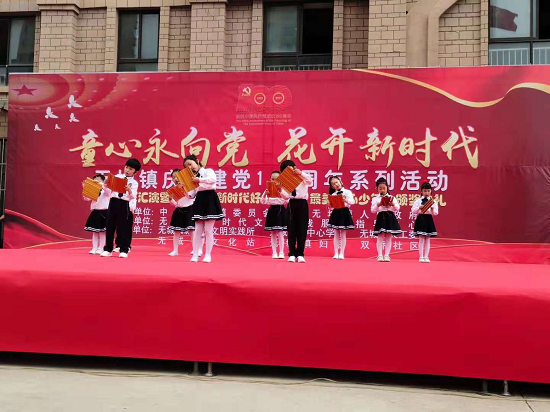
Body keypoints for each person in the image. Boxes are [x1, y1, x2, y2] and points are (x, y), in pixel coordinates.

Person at [184, 155, 224, 263]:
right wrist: (184, 189)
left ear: (197, 161)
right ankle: (195, 254)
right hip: (199, 200)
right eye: (186, 166)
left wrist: (199, 180)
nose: (189, 167)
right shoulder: (192, 178)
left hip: (210, 198)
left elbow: (213, 180)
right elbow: (192, 194)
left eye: (190, 164)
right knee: (198, 230)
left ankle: (208, 255)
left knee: (208, 230)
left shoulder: (207, 171)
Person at [100, 158, 141, 258]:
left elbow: (133, 197)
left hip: (124, 204)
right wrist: (105, 185)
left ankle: (124, 249)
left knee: (123, 227)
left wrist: (129, 190)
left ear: (135, 172)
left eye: (130, 169)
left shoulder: (134, 183)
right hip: (113, 202)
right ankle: (108, 249)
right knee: (110, 226)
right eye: (126, 167)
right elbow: (108, 192)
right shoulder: (117, 177)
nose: (127, 170)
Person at [279, 160, 313, 263]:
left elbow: (310, 181)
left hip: (302, 203)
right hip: (291, 203)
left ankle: (300, 254)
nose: (289, 171)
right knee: (291, 229)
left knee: (302, 229)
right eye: (285, 171)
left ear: (294, 167)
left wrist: (301, 173)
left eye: (291, 168)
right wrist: (280, 190)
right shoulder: (285, 180)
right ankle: (292, 254)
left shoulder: (302, 176)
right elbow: (285, 196)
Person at [167, 168, 204, 257]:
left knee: (192, 231)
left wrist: (184, 191)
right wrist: (170, 199)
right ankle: (175, 251)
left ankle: (196, 250)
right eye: (173, 177)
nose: (175, 179)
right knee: (176, 231)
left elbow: (192, 197)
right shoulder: (173, 189)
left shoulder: (189, 185)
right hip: (179, 210)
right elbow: (174, 204)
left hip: (190, 209)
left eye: (177, 176)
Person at [371, 177, 402, 262]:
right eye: (380, 188)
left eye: (384, 188)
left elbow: (397, 208)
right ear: (377, 189)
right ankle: (380, 255)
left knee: (389, 236)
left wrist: (392, 205)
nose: (382, 190)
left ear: (387, 188)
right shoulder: (375, 199)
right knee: (380, 236)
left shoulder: (392, 198)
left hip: (390, 217)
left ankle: (387, 255)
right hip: (381, 217)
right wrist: (378, 205)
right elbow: (372, 210)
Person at [260, 170, 287, 259]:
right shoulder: (268, 189)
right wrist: (265, 194)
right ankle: (274, 252)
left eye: (277, 179)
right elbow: (263, 201)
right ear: (270, 179)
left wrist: (280, 192)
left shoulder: (284, 189)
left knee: (280, 232)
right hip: (272, 210)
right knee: (273, 232)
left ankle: (281, 252)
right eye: (272, 179)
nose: (274, 181)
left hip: (280, 209)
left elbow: (287, 200)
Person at [327, 176, 355, 260]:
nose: (336, 184)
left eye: (336, 182)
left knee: (343, 234)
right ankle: (336, 253)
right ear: (332, 187)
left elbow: (352, 202)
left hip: (344, 212)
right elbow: (332, 207)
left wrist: (346, 200)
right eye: (333, 184)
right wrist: (330, 204)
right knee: (336, 233)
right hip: (336, 212)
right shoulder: (333, 194)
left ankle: (341, 253)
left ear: (340, 182)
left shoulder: (347, 192)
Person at [412, 181, 439, 263]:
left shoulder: (433, 201)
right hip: (421, 218)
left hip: (428, 219)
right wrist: (419, 208)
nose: (426, 193)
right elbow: (413, 210)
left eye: (428, 191)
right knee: (421, 238)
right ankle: (421, 256)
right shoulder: (418, 201)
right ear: (421, 191)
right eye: (425, 191)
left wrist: (432, 209)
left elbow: (436, 213)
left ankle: (426, 256)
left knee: (427, 239)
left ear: (431, 191)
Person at [83, 174, 109, 254]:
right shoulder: (93, 190)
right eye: (95, 179)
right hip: (95, 212)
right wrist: (85, 189)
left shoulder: (105, 189)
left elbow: (108, 192)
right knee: (95, 232)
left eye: (98, 179)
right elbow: (86, 199)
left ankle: (101, 248)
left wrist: (101, 185)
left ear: (102, 181)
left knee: (102, 232)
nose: (96, 181)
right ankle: (94, 248)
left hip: (104, 212)